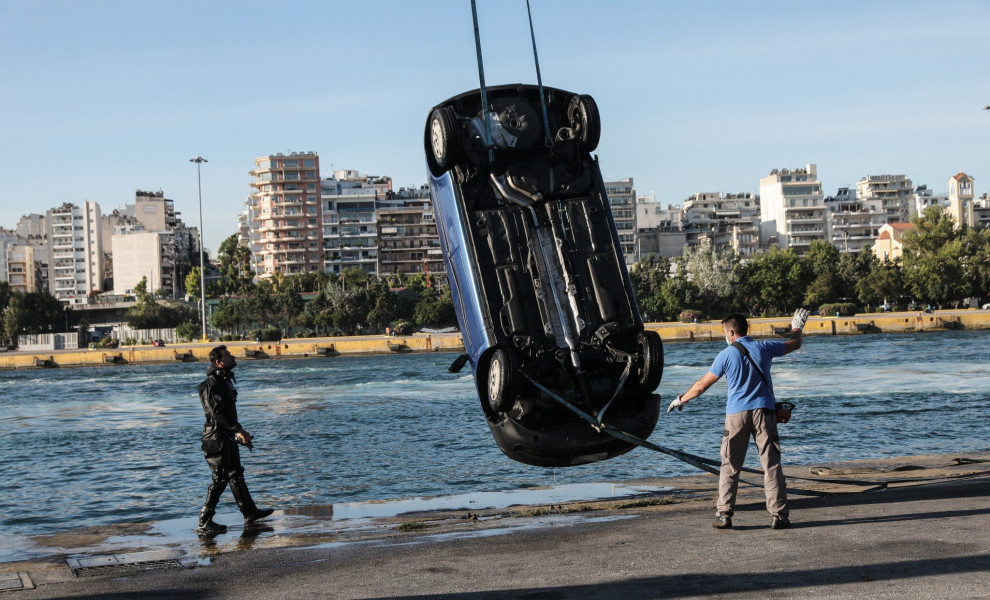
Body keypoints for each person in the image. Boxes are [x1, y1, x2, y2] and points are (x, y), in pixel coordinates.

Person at [666, 309, 807, 530]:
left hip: (736, 415)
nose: (726, 336)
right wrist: (798, 326)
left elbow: (703, 385)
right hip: (765, 412)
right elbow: (794, 344)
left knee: (730, 465)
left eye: (725, 332)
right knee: (771, 465)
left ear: (731, 332)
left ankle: (724, 515)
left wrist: (681, 399)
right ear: (746, 329)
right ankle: (778, 516)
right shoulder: (764, 347)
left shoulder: (726, 355)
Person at [196, 345, 274, 534]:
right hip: (215, 438)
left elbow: (228, 415)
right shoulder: (211, 385)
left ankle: (250, 513)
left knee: (235, 475)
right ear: (218, 362)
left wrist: (237, 433)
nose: (232, 357)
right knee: (220, 478)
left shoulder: (225, 382)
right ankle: (204, 521)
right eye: (227, 355)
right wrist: (239, 430)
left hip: (226, 436)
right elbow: (217, 416)